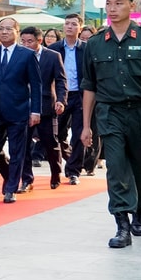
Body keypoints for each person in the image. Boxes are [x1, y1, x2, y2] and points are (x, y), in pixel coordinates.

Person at [81, 0, 141, 249]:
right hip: (110, 113)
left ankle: (139, 209)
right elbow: (89, 86)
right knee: (116, 168)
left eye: (118, 3)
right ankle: (121, 225)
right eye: (108, 3)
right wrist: (86, 125)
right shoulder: (95, 44)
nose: (112, 8)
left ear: (131, 6)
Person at [0, 17, 42, 202]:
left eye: (8, 29)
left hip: (19, 110)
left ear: (17, 31)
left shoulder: (26, 54)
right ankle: (9, 176)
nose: (4, 32)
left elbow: (36, 84)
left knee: (17, 151)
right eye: (1, 29)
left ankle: (11, 189)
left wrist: (36, 111)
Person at [20, 26, 66, 190]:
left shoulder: (52, 56)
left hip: (46, 106)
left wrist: (61, 100)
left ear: (39, 40)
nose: (26, 45)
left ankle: (55, 173)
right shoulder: (18, 55)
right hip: (23, 106)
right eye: (23, 41)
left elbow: (61, 80)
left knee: (50, 142)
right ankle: (26, 179)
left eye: (30, 41)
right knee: (23, 145)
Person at [50, 14, 91, 184]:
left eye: (74, 24)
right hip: (60, 96)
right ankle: (65, 161)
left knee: (79, 134)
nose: (69, 27)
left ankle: (74, 171)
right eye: (67, 24)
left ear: (79, 28)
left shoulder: (87, 49)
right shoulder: (54, 48)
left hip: (80, 95)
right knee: (56, 133)